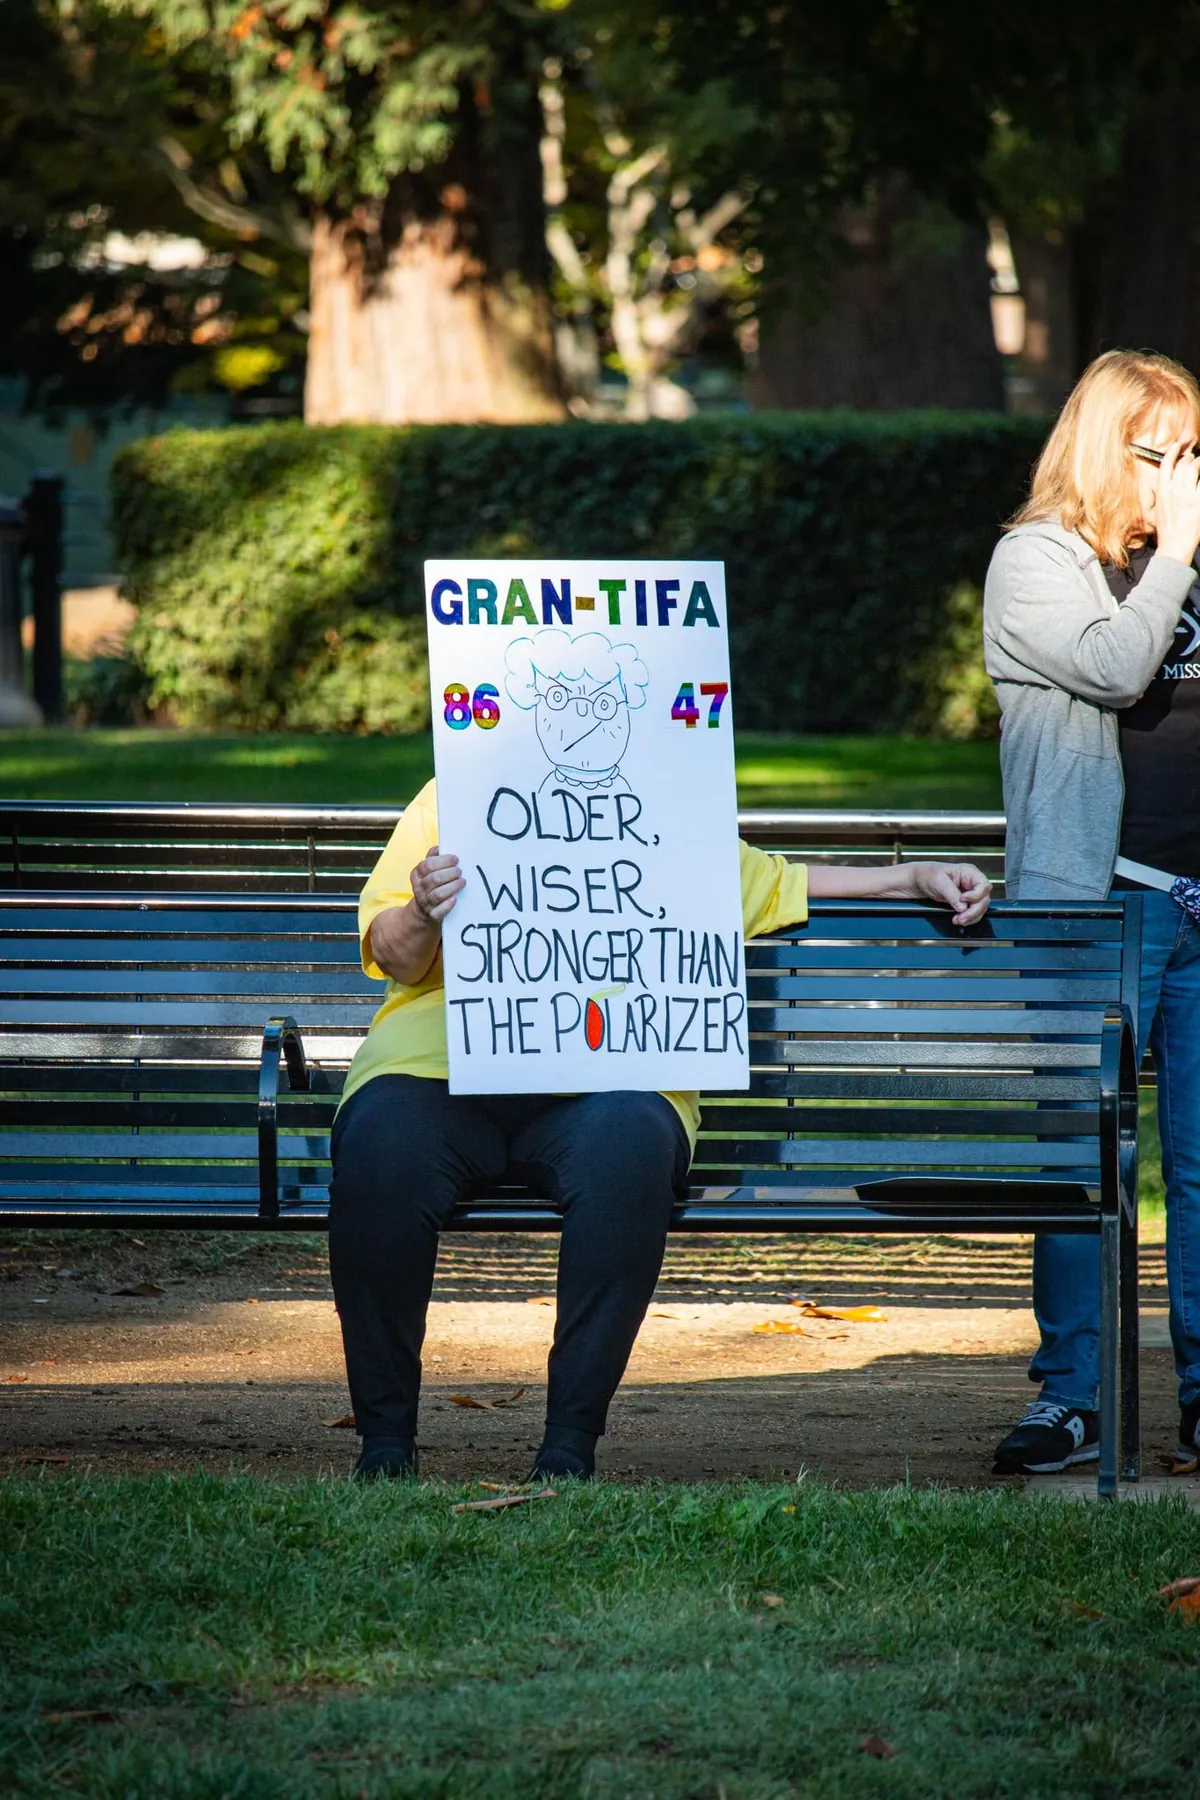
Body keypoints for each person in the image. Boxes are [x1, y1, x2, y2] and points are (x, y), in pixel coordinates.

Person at [329, 780, 992, 1480]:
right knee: (380, 1148)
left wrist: (917, 876)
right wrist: (424, 910)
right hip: (439, 1069)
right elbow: (394, 951)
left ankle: (567, 1448)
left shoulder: (669, 796)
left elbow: (783, 884)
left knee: (630, 1150)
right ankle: (385, 1444)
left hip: (611, 1082)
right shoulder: (455, 790)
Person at [984, 348, 1200, 1477]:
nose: (1175, 475)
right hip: (1097, 905)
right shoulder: (1036, 563)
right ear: (1101, 445)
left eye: (1190, 450)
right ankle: (1072, 1398)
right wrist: (1178, 557)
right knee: (1083, 1159)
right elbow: (1118, 672)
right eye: (1155, 450)